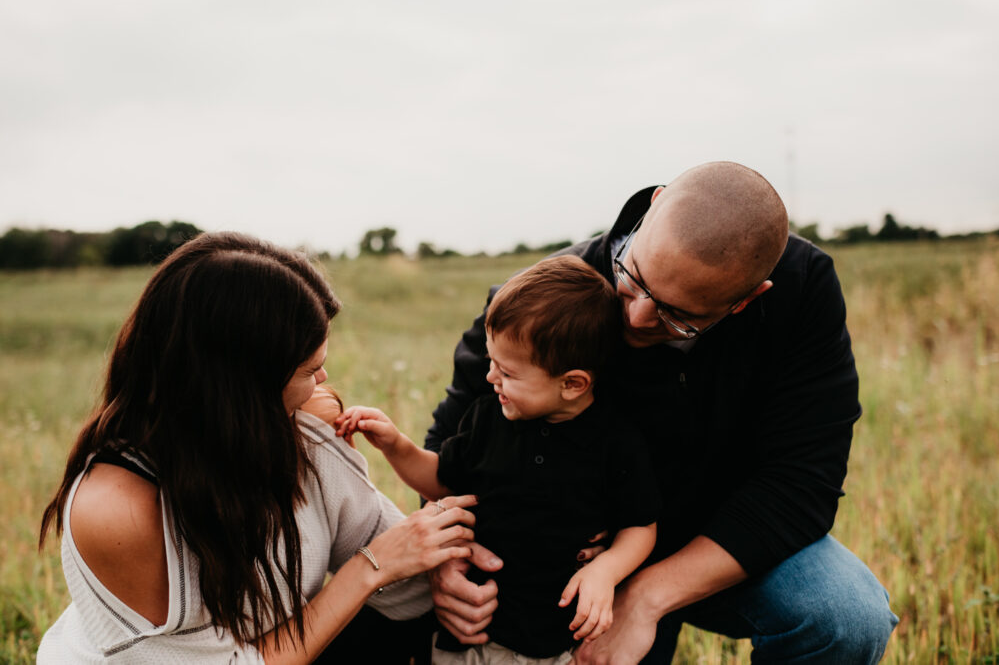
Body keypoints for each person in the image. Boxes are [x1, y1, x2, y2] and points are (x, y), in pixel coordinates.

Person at [425, 162, 899, 663]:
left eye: (679, 317)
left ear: (746, 300)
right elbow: (451, 440)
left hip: (727, 546)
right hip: (567, 568)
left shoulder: (801, 291)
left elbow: (802, 483)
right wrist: (445, 557)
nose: (634, 318)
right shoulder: (543, 300)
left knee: (846, 616)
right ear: (651, 210)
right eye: (633, 278)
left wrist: (648, 596)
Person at [37, 232, 477, 664]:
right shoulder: (118, 510)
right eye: (310, 369)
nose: (323, 382)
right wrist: (369, 568)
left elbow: (388, 551)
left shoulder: (300, 425)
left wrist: (446, 578)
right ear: (241, 389)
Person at [337, 255, 660, 664]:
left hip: (553, 644)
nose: (491, 378)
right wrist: (395, 445)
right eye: (491, 362)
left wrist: (606, 569)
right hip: (468, 633)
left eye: (507, 372)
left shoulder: (615, 443)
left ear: (572, 383)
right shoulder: (489, 417)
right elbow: (440, 479)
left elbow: (640, 527)